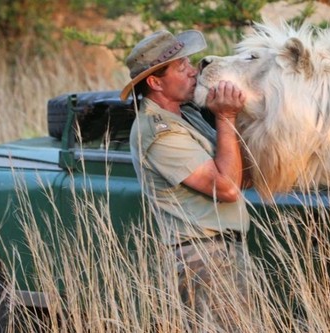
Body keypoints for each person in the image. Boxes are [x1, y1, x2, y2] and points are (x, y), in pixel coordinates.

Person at [120, 30, 251, 331]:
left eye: (190, 63)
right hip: (203, 255)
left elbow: (238, 172)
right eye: (182, 67)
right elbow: (228, 188)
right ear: (155, 82)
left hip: (221, 249)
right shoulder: (158, 131)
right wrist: (226, 117)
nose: (194, 71)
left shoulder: (186, 115)